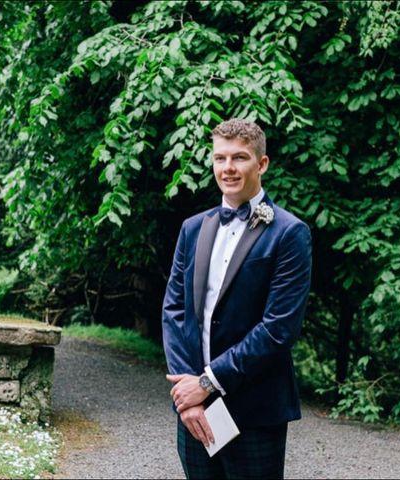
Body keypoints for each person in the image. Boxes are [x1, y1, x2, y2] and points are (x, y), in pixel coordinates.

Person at [162, 118, 312, 479]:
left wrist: (206, 384)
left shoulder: (290, 233)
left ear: (262, 164)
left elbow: (277, 330)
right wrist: (187, 395)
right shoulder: (193, 228)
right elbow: (175, 311)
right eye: (220, 158)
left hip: (255, 410)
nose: (227, 168)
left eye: (239, 158)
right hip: (194, 410)